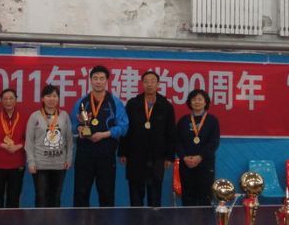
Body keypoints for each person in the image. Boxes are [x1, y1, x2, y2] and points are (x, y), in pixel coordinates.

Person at [70, 65, 128, 207]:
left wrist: (105, 134)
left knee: (106, 193)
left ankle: (106, 222)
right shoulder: (82, 102)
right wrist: (79, 129)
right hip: (84, 153)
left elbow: (124, 127)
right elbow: (73, 124)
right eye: (95, 78)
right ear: (90, 80)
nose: (98, 81)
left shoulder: (115, 102)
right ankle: (80, 221)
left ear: (107, 81)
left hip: (106, 154)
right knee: (81, 193)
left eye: (102, 78)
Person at [118, 70, 176, 207]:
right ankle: (135, 219)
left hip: (157, 156)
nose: (149, 84)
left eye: (152, 81)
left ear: (158, 84)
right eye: (146, 82)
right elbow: (126, 129)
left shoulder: (166, 106)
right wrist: (122, 152)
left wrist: (169, 156)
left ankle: (154, 219)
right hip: (135, 155)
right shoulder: (133, 104)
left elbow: (171, 133)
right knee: (135, 195)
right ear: (142, 84)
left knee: (155, 195)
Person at [25, 84, 73, 207]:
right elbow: (29, 141)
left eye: (54, 96)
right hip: (40, 164)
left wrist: (68, 159)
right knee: (41, 197)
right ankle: (40, 220)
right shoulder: (35, 116)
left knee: (56, 197)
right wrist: (31, 162)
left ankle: (55, 220)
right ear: (42, 98)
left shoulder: (64, 115)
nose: (51, 99)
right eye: (48, 96)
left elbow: (69, 139)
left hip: (59, 164)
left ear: (58, 98)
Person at [176, 88, 220, 206]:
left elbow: (214, 142)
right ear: (189, 102)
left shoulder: (212, 120)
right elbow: (177, 141)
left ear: (205, 102)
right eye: (194, 99)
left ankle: (205, 219)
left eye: (200, 99)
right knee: (187, 196)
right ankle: (187, 218)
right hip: (186, 164)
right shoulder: (183, 121)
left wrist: (200, 157)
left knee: (205, 197)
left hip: (205, 164)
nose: (197, 102)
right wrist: (184, 157)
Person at [0, 88, 26, 208]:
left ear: (16, 100)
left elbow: (30, 139)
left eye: (11, 98)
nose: (8, 101)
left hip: (17, 164)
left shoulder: (24, 118)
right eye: (5, 99)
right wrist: (2, 145)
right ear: (1, 101)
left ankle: (12, 221)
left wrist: (18, 146)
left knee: (14, 199)